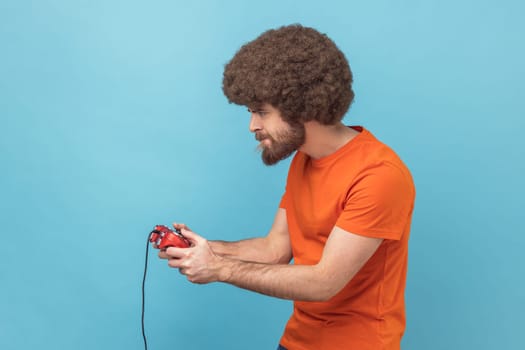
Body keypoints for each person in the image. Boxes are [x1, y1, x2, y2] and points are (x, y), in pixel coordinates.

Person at [158, 24, 416, 350]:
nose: (252, 125)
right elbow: (275, 250)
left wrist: (218, 268)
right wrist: (204, 248)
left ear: (301, 107)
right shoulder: (303, 159)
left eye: (262, 112)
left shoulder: (379, 175)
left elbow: (325, 282)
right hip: (297, 341)